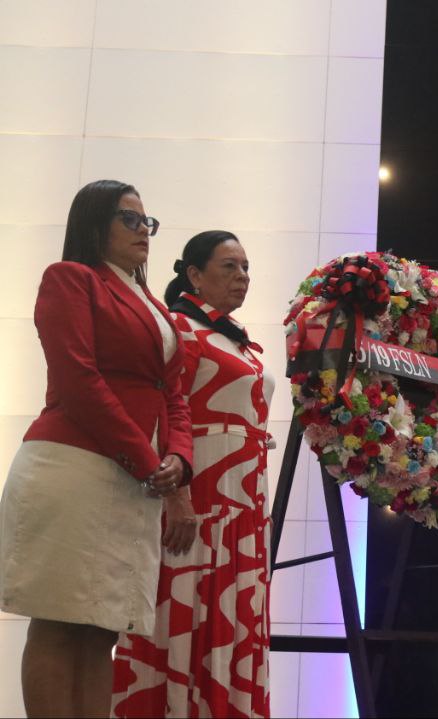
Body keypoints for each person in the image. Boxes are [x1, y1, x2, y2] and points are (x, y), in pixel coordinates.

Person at [0, 179, 192, 718]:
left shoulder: (152, 304)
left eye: (147, 222)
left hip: (137, 475)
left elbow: (171, 391)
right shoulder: (71, 279)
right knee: (60, 622)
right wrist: (150, 460)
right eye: (129, 219)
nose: (143, 231)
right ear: (93, 224)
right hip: (74, 467)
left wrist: (178, 461)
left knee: (102, 630)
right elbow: (78, 380)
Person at [112, 231, 274, 717]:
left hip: (243, 508)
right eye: (229, 266)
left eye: (246, 267)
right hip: (200, 497)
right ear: (194, 275)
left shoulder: (234, 337)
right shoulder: (179, 328)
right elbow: (162, 415)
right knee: (185, 609)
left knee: (233, 616)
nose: (242, 276)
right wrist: (176, 495)